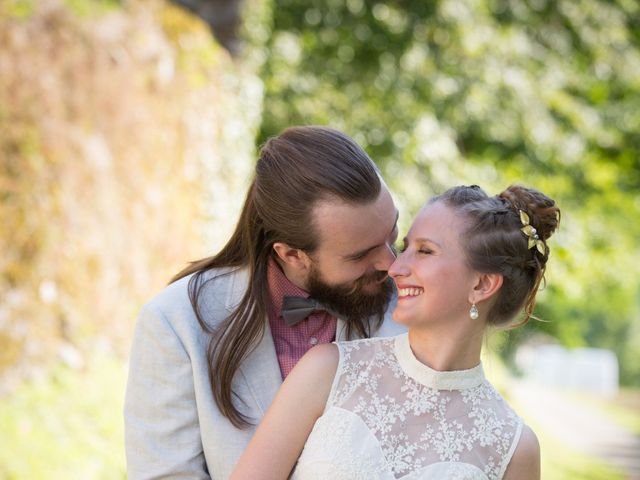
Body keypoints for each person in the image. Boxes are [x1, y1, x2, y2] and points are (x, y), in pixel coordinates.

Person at [124, 126, 405, 479]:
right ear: (291, 254)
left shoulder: (412, 310)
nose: (391, 264)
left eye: (392, 234)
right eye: (361, 255)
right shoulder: (174, 323)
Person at [231, 184, 560, 480]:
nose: (396, 268)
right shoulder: (328, 371)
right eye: (405, 248)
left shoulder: (514, 448)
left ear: (481, 284)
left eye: (425, 251)